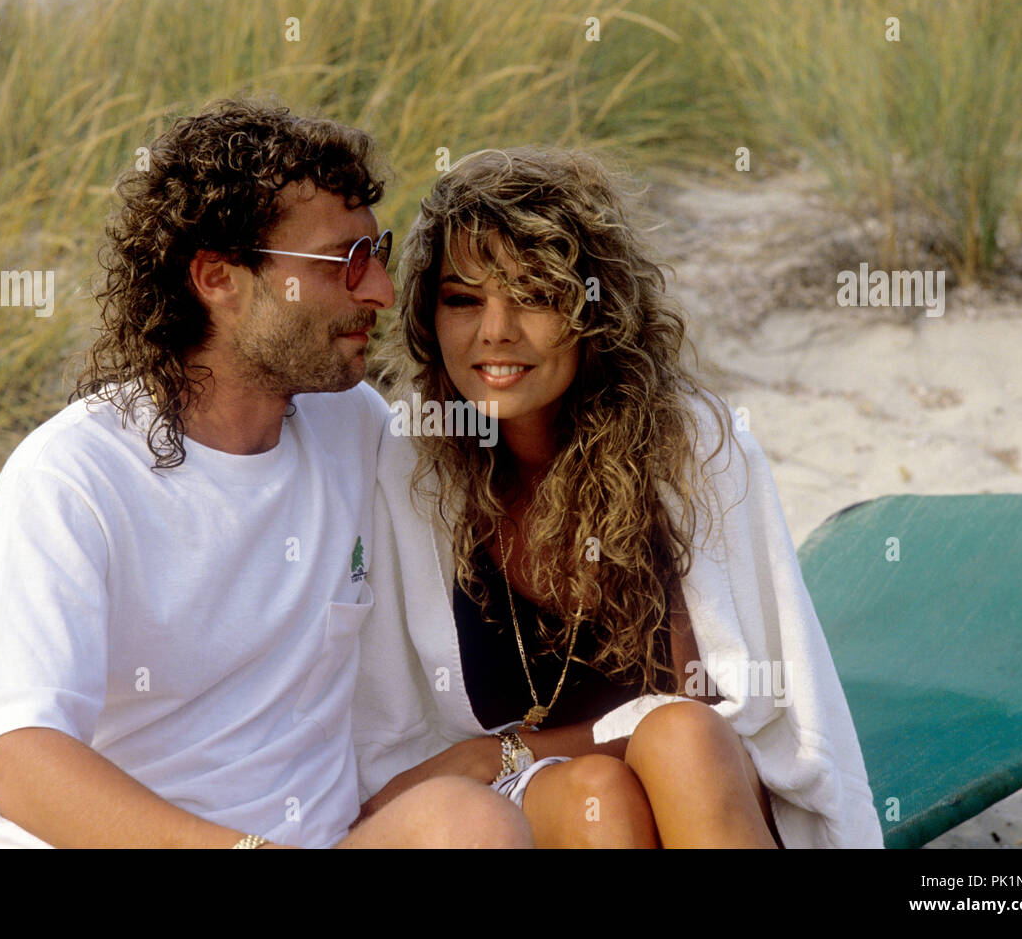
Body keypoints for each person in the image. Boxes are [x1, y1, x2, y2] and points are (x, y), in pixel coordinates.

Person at [0, 99, 531, 849]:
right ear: (219, 278)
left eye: (378, 253)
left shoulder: (352, 426)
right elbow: (20, 762)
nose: (381, 292)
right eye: (342, 264)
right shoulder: (74, 477)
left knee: (471, 825)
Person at [352, 146, 884, 848]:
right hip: (536, 805)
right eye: (463, 300)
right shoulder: (416, 463)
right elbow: (405, 724)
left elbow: (721, 699)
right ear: (428, 315)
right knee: (598, 790)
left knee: (679, 737)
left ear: (594, 310)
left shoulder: (687, 448)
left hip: (704, 778)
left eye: (536, 294)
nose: (495, 331)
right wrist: (501, 762)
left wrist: (501, 752)